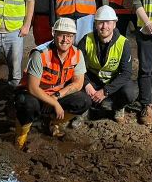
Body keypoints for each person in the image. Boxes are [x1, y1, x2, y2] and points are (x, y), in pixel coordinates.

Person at [13, 17, 93, 149]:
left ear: (73, 37)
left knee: (84, 101)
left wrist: (56, 97)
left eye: (69, 36)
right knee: (26, 104)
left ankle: (51, 122)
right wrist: (54, 103)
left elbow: (78, 84)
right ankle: (22, 133)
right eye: (61, 35)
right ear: (53, 33)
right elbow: (33, 88)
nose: (65, 40)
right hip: (34, 94)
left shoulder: (77, 54)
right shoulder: (41, 54)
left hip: (55, 93)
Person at [77, 5, 138, 123]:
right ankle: (84, 110)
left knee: (130, 92)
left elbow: (126, 73)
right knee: (76, 88)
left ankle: (118, 107)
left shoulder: (123, 43)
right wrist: (86, 83)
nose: (104, 26)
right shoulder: (86, 40)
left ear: (114, 24)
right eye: (100, 23)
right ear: (95, 24)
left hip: (113, 81)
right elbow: (77, 66)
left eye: (108, 23)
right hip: (92, 80)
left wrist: (106, 91)